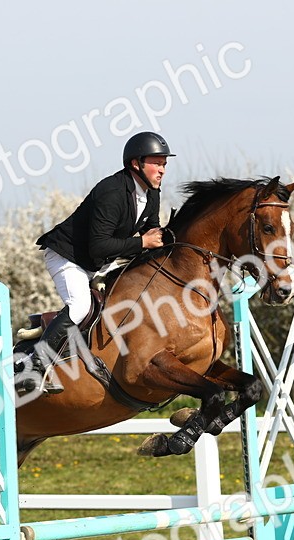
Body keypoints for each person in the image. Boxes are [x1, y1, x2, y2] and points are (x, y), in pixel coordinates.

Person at [15, 131, 176, 395]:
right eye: (157, 163)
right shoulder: (111, 191)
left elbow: (153, 233)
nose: (162, 170)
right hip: (69, 257)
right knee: (80, 307)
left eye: (164, 164)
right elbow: (100, 245)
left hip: (99, 263)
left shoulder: (152, 192)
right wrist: (142, 243)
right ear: (136, 163)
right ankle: (32, 367)